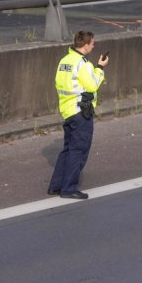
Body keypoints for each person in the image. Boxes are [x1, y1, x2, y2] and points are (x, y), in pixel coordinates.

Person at [47, 30, 107, 200]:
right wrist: (100, 68)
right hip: (81, 112)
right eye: (93, 43)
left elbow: (59, 84)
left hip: (67, 110)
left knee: (67, 149)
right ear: (86, 45)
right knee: (78, 151)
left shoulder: (64, 61)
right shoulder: (83, 64)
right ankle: (69, 188)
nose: (94, 46)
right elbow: (92, 85)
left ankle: (56, 185)